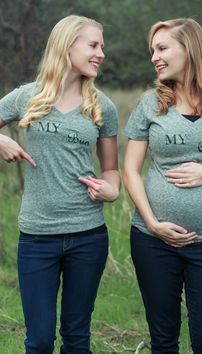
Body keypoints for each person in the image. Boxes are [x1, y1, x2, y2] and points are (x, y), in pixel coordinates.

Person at [0, 15, 120, 354]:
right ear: (67, 45)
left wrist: (111, 190)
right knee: (38, 342)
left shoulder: (103, 107)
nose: (101, 54)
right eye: (93, 45)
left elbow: (112, 171)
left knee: (77, 338)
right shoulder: (27, 96)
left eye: (102, 47)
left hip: (88, 235)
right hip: (37, 237)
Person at [123, 18, 202, 354]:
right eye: (152, 51)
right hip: (152, 241)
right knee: (163, 339)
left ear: (190, 49)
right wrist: (154, 224)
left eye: (162, 48)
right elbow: (130, 170)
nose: (154, 57)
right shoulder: (150, 103)